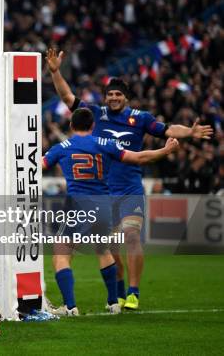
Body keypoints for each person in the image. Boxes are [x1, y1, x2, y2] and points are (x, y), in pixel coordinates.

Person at [46, 48, 213, 310]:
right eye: (110, 94)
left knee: (132, 235)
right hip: (105, 191)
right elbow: (67, 97)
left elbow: (169, 129)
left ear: (126, 98)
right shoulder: (95, 115)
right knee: (109, 247)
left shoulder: (140, 119)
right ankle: (118, 294)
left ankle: (133, 292)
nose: (113, 98)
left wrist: (189, 132)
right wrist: (55, 72)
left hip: (130, 188)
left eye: (118, 94)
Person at [43, 108, 179, 315]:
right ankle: (113, 302)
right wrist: (165, 151)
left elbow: (38, 165)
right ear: (93, 126)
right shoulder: (106, 144)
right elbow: (139, 157)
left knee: (61, 253)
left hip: (77, 204)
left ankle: (70, 307)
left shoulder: (62, 147)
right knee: (103, 251)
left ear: (71, 126)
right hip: (104, 205)